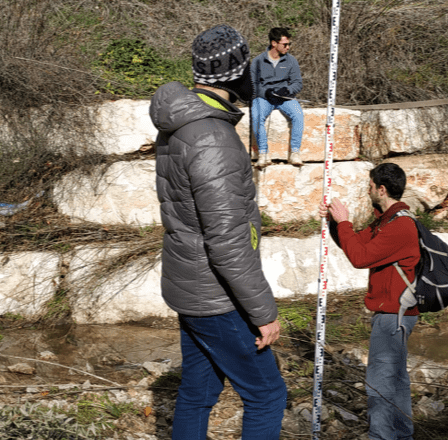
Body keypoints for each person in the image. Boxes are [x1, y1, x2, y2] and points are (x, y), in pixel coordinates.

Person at [150, 24, 286, 440]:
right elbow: (227, 241)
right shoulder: (212, 137)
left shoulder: (181, 123)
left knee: (198, 391)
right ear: (235, 74)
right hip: (215, 296)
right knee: (267, 395)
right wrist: (264, 313)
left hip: (190, 287)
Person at [319, 163, 421, 440]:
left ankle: (381, 435)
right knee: (396, 380)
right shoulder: (386, 221)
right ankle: (402, 435)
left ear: (382, 189)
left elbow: (360, 258)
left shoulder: (400, 226)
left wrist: (344, 221)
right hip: (396, 314)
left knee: (380, 382)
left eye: (370, 186)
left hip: (393, 316)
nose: (368, 191)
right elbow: (354, 243)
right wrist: (334, 223)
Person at [250, 27, 304, 168]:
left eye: (289, 44)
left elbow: (298, 83)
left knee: (298, 114)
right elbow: (253, 85)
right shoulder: (258, 61)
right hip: (264, 98)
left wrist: (287, 90)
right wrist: (265, 93)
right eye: (285, 44)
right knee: (257, 115)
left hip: (284, 97)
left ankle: (295, 152)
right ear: (274, 43)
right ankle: (263, 154)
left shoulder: (291, 61)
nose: (288, 47)